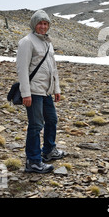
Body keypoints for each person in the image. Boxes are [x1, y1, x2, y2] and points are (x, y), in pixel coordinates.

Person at [16, 10, 65, 173]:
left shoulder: (47, 42)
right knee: (36, 125)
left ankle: (49, 151)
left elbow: (54, 68)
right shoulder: (27, 42)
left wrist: (56, 88)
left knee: (52, 120)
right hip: (34, 91)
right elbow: (22, 69)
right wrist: (26, 93)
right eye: (40, 23)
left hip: (46, 91)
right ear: (33, 24)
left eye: (45, 23)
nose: (43, 26)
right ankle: (33, 161)